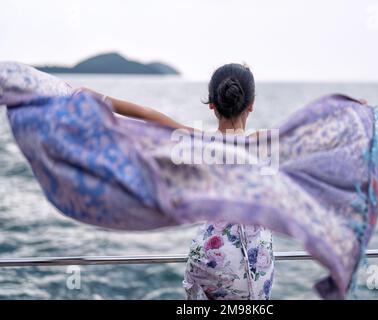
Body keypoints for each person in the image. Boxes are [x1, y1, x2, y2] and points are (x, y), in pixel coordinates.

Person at [79, 63, 275, 300]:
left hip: (211, 260)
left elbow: (146, 114)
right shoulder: (266, 143)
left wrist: (92, 97)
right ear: (251, 104)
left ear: (212, 104)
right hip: (255, 262)